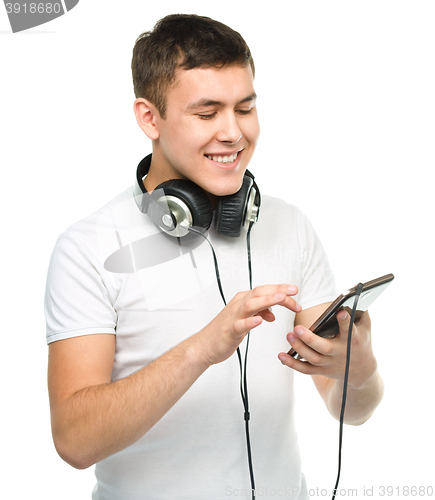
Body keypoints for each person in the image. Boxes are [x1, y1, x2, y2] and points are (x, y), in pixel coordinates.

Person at [45, 14, 384, 499]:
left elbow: (351, 407)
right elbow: (75, 441)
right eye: (207, 114)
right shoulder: (88, 247)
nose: (232, 133)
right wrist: (203, 347)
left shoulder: (291, 226)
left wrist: (362, 368)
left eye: (244, 108)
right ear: (149, 118)